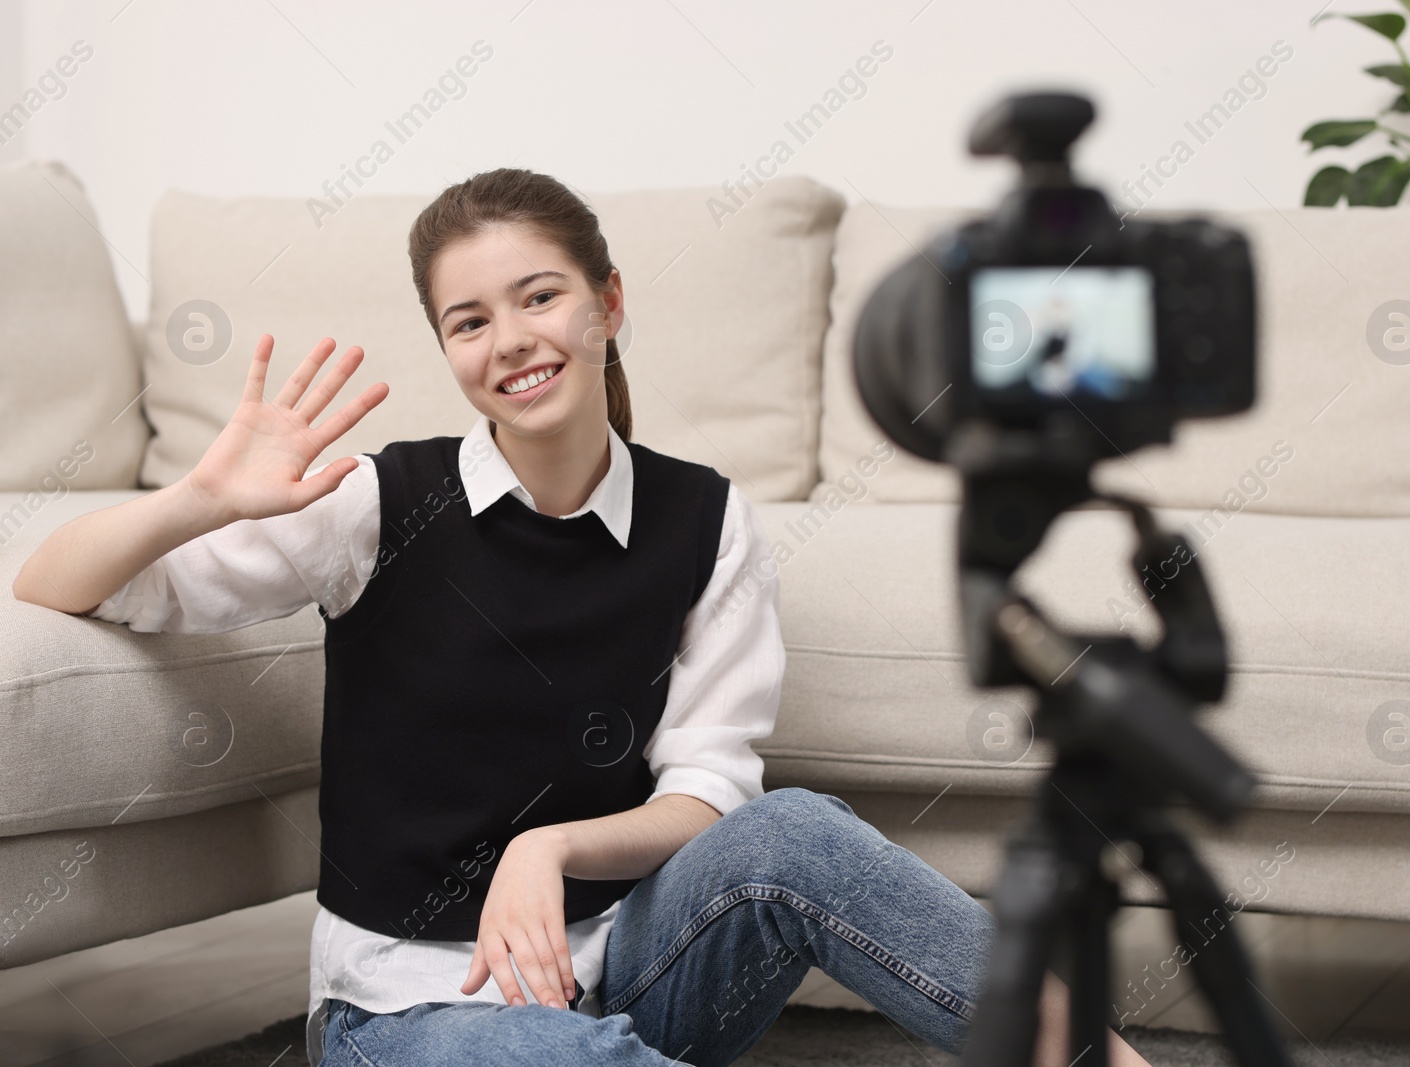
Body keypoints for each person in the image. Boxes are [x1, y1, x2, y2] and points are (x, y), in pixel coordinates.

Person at [12, 169, 1152, 1067]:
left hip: (633, 975)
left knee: (794, 828)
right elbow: (56, 582)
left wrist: (546, 848)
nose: (508, 338)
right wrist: (195, 502)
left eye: (539, 295)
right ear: (449, 351)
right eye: (468, 320)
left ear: (608, 300)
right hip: (412, 1016)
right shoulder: (376, 504)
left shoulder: (704, 517)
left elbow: (708, 793)